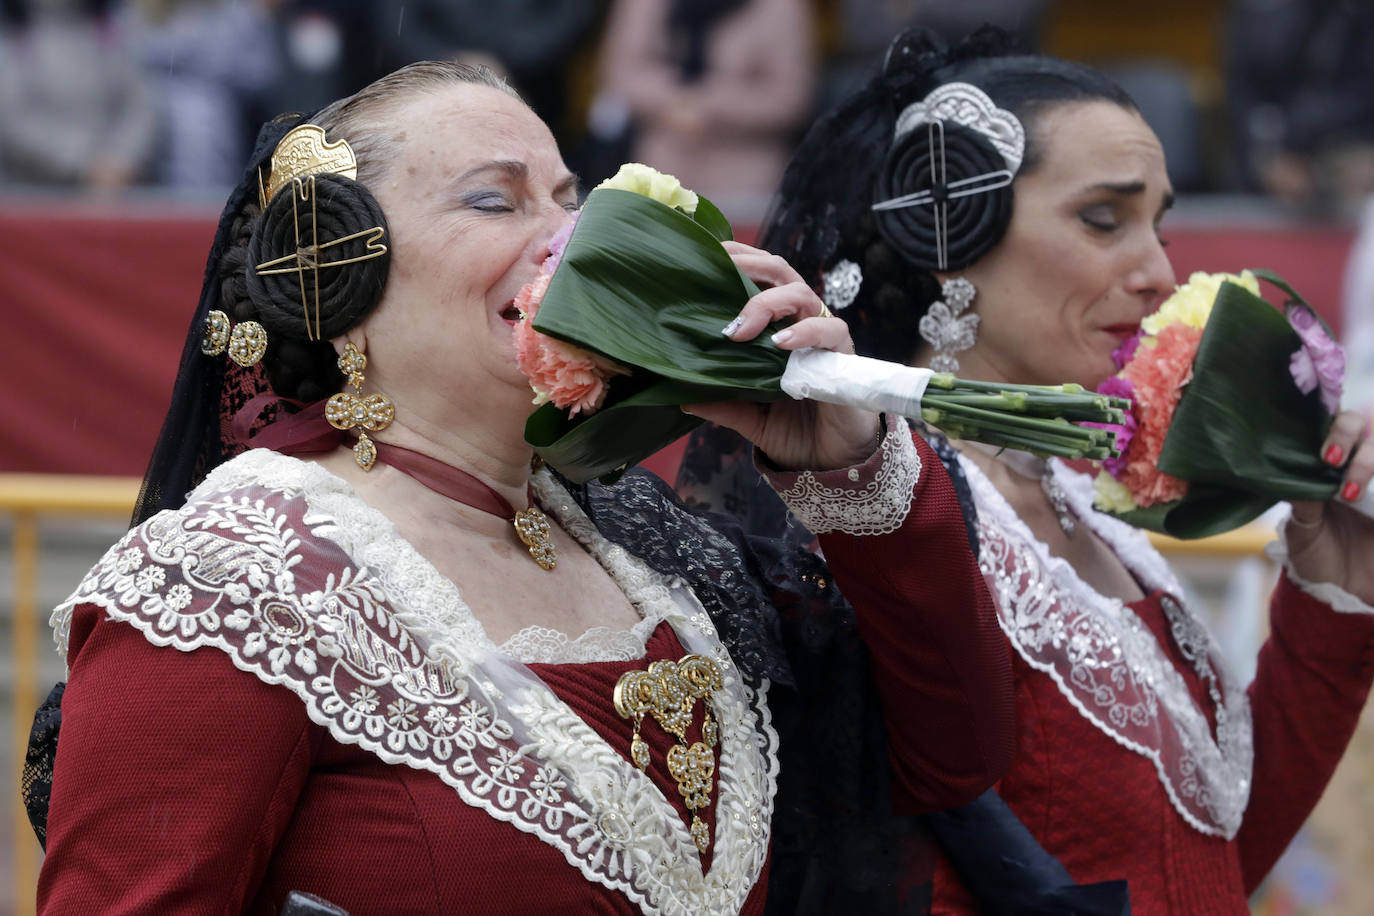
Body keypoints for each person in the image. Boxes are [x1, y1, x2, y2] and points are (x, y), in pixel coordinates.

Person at [32, 60, 1015, 913]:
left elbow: (950, 757)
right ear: (332, 276)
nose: (574, 239)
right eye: (495, 200)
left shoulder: (649, 554)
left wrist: (838, 457)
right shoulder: (234, 579)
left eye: (571, 199)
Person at [678, 27, 1374, 913]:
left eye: (1159, 224)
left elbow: (1204, 864)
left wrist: (1337, 599)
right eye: (1103, 219)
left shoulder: (1092, 511)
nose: (1160, 273)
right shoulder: (862, 511)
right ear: (949, 228)